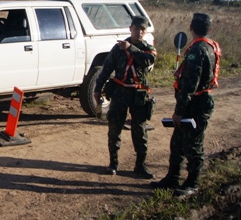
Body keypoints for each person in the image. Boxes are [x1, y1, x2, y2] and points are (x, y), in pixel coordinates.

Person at [151, 13, 220, 197]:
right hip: (198, 101)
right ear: (209, 29)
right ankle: (172, 178)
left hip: (195, 103)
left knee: (193, 145)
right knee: (177, 143)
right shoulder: (210, 47)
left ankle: (193, 183)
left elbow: (190, 84)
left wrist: (179, 112)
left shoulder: (198, 50)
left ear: (191, 27)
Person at [93, 16, 157, 178]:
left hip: (139, 95)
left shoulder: (147, 48)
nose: (139, 32)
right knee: (114, 129)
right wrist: (97, 88)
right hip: (120, 93)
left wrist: (131, 49)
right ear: (131, 29)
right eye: (137, 29)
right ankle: (113, 164)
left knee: (140, 131)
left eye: (143, 30)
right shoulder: (118, 48)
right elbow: (107, 68)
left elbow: (148, 61)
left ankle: (140, 166)